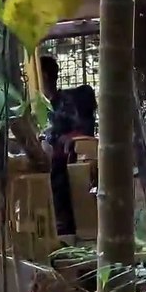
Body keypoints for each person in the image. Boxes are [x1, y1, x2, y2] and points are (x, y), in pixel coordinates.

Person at [40, 55, 97, 237]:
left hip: (63, 155)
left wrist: (68, 138)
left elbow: (81, 129)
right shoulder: (38, 104)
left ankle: (62, 223)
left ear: (45, 76)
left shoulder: (65, 101)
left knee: (55, 171)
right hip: (45, 153)